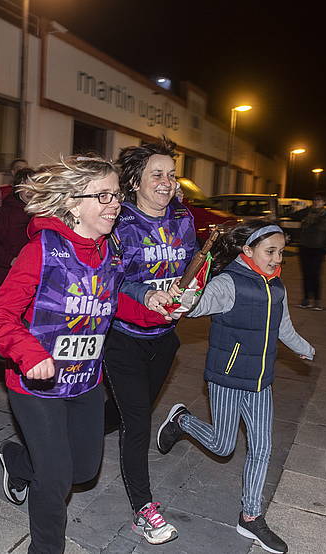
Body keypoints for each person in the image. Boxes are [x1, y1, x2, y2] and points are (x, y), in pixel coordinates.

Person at [0, 155, 165, 553]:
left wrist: (155, 305)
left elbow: (113, 306)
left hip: (84, 382)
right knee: (56, 479)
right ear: (73, 203)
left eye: (116, 196)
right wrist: (29, 353)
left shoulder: (110, 253)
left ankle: (17, 460)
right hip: (36, 386)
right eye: (103, 196)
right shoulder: (43, 250)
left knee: (84, 469)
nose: (115, 204)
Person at [157, 221, 314, 554]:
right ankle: (181, 421)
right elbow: (197, 306)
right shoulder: (229, 283)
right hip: (227, 378)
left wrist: (302, 346)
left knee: (262, 448)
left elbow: (283, 327)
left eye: (281, 252)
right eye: (270, 251)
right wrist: (182, 296)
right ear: (248, 250)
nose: (277, 258)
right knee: (223, 444)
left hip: (260, 383)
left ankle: (251, 516)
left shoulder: (277, 287)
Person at [107, 137, 197, 545]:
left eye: (171, 174)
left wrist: (194, 291)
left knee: (118, 416)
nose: (166, 182)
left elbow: (193, 266)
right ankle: (144, 510)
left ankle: (23, 460)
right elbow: (111, 278)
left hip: (165, 340)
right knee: (138, 422)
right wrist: (145, 293)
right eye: (156, 174)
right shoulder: (119, 221)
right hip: (123, 338)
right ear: (135, 181)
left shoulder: (182, 219)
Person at [0, 166, 34, 296]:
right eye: (25, 186)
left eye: (34, 186)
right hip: (4, 278)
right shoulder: (7, 212)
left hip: (28, 277)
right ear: (18, 188)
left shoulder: (40, 213)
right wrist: (11, 260)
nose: (30, 191)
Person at [294, 191, 326, 310]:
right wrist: (306, 208)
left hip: (319, 249)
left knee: (315, 275)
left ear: (324, 202)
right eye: (315, 199)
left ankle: (317, 301)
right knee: (306, 274)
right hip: (304, 247)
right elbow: (295, 215)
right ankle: (306, 300)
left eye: (319, 200)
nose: (317, 202)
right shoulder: (307, 212)